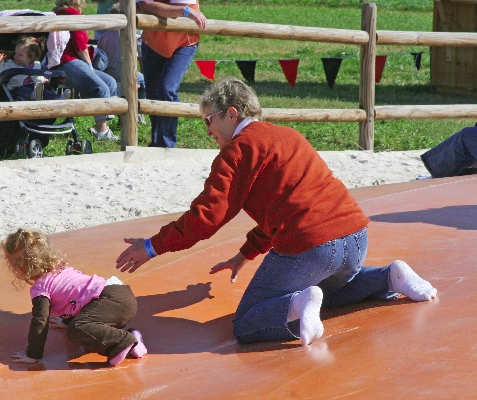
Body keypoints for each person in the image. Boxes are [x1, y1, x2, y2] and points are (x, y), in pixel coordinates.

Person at [115, 78, 437, 346]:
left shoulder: (236, 151)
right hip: (355, 238)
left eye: (208, 120)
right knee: (328, 292)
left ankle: (298, 302)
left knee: (246, 322)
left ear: (231, 113)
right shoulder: (288, 136)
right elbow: (293, 204)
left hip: (311, 246)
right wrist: (246, 253)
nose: (207, 130)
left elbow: (207, 217)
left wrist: (151, 246)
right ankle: (389, 276)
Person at [3, 228, 147, 366]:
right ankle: (132, 337)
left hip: (109, 300)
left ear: (19, 269)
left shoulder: (40, 288)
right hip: (122, 296)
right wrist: (65, 322)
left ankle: (123, 341)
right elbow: (81, 297)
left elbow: (40, 321)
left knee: (76, 329)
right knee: (86, 327)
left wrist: (32, 355)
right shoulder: (62, 269)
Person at [136, 0, 207, 147]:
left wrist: (181, 11)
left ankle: (167, 144)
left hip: (183, 41)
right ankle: (157, 142)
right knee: (153, 93)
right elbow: (145, 5)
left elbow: (181, 7)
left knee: (166, 88)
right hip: (153, 41)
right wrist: (183, 11)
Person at [52, 0, 119, 141]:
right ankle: (102, 131)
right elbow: (80, 44)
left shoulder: (59, 13)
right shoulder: (72, 13)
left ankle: (101, 124)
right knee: (101, 87)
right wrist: (90, 65)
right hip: (68, 61)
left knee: (111, 83)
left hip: (67, 62)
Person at [97, 4, 147, 100]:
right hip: (124, 71)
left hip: (108, 72)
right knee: (144, 80)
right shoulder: (131, 36)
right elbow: (141, 58)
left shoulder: (103, 37)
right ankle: (141, 104)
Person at [0, 36, 62, 101]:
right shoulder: (11, 64)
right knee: (24, 91)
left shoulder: (36, 65)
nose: (16, 56)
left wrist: (43, 80)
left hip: (33, 87)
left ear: (31, 57)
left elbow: (37, 77)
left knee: (45, 92)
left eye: (20, 55)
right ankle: (34, 96)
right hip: (16, 89)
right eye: (15, 53)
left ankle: (59, 98)